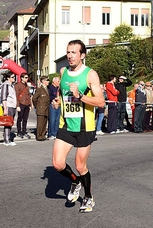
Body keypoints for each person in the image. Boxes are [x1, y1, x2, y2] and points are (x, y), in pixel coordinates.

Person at [52, 40, 105, 213]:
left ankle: (89, 197)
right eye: (68, 52)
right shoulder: (63, 71)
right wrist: (57, 101)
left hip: (84, 127)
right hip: (66, 125)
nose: (70, 56)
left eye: (74, 52)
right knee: (58, 164)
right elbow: (61, 92)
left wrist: (80, 95)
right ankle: (75, 181)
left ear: (82, 55)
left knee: (80, 166)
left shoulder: (90, 74)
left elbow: (101, 102)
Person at [0, 72, 17, 146]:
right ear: (8, 78)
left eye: (14, 77)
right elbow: (3, 97)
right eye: (12, 77)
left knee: (10, 123)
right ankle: (6, 140)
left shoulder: (12, 85)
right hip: (8, 106)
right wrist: (5, 108)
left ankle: (8, 138)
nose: (14, 78)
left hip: (12, 106)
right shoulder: (5, 85)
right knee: (7, 123)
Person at [32, 76, 50, 141]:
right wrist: (37, 106)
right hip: (41, 108)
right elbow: (34, 98)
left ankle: (43, 135)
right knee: (40, 123)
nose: (48, 82)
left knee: (44, 123)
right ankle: (39, 136)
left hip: (46, 108)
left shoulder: (46, 88)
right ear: (43, 81)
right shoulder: (40, 89)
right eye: (47, 80)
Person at [15, 72, 32, 139]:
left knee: (25, 119)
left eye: (27, 77)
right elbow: (16, 96)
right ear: (21, 78)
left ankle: (24, 131)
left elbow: (28, 95)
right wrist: (17, 105)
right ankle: (19, 131)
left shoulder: (27, 86)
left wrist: (30, 105)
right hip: (21, 103)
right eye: (25, 77)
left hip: (27, 104)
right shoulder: (18, 85)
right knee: (20, 118)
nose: (27, 79)